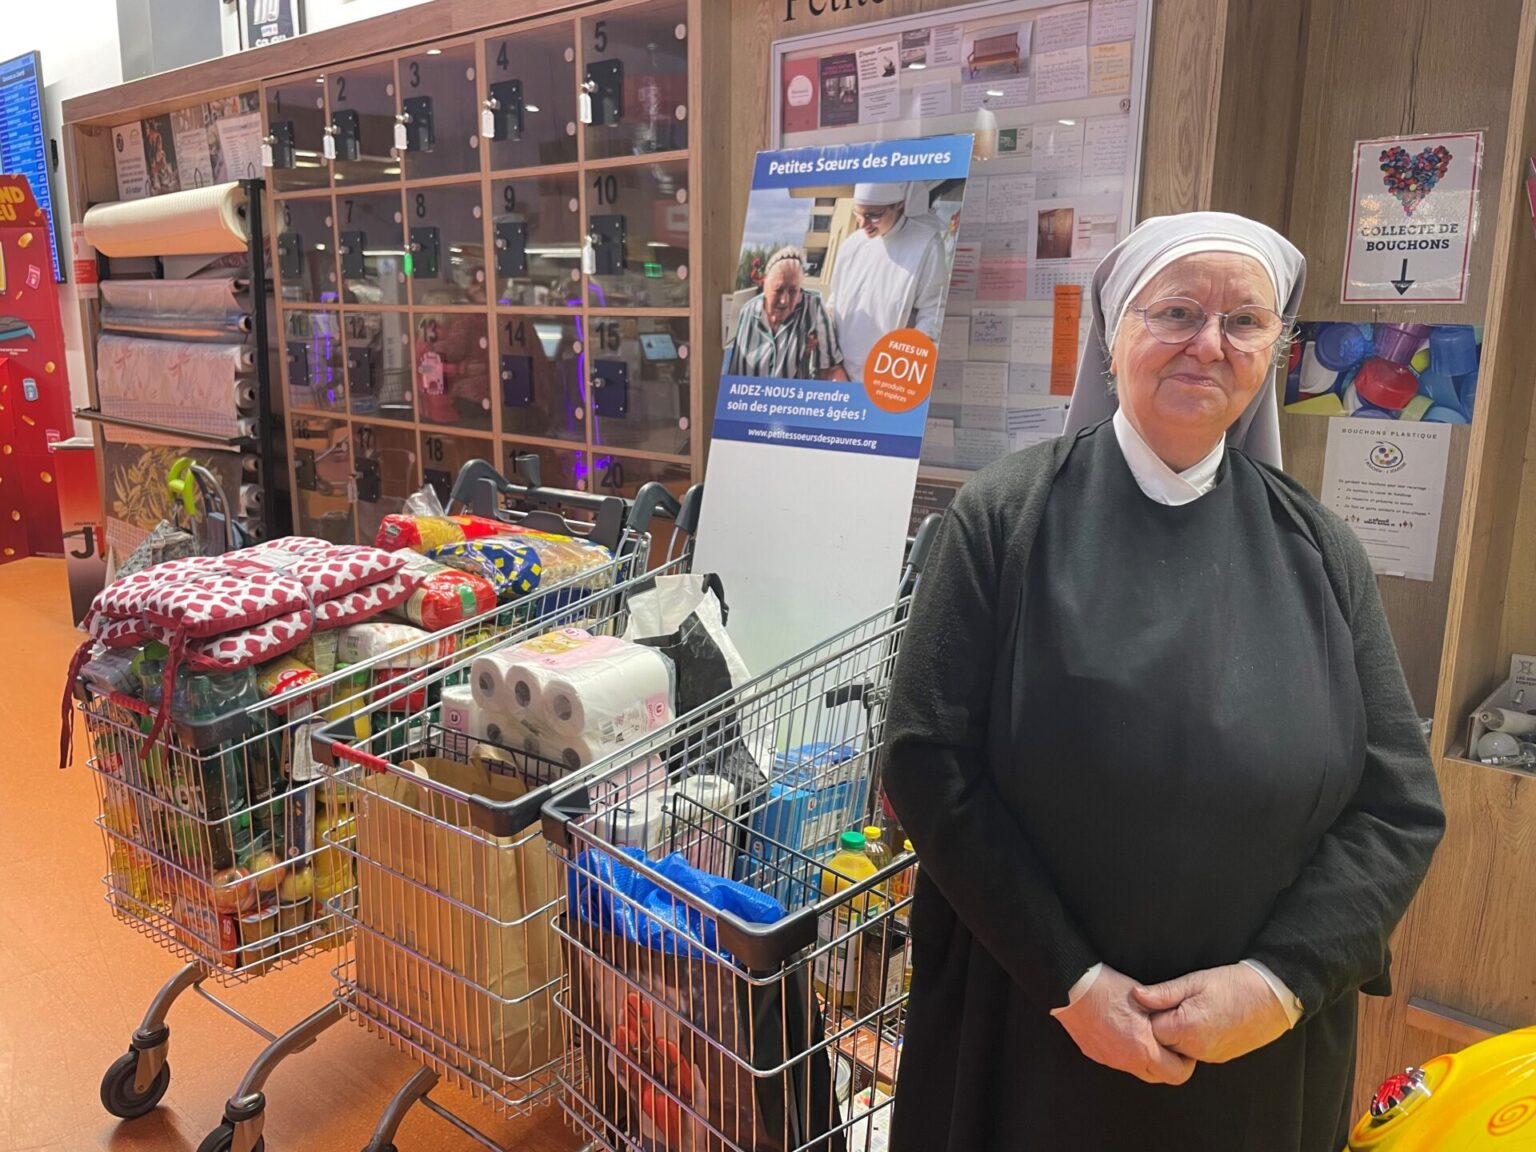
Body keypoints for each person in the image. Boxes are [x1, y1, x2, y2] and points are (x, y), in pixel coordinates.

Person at [882, 211, 1445, 1152]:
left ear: (1275, 349)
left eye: (1245, 322)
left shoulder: (1321, 549)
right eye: (1176, 311)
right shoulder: (1005, 520)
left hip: (1255, 1058)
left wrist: (1278, 984)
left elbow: (1399, 806)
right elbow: (927, 761)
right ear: (1113, 336)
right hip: (1033, 1027)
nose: (1208, 344)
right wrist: (1073, 984)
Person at [827, 182, 948, 383]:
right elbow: (833, 305)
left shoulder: (927, 243)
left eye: (873, 215)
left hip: (891, 381)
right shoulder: (851, 245)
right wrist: (833, 365)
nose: (863, 224)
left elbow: (934, 312)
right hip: (841, 378)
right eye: (858, 214)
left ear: (899, 204)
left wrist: (903, 370)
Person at [729, 246, 846, 380]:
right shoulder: (748, 311)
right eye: (778, 290)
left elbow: (831, 369)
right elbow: (735, 370)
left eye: (793, 291)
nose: (785, 300)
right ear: (764, 285)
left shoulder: (813, 307)